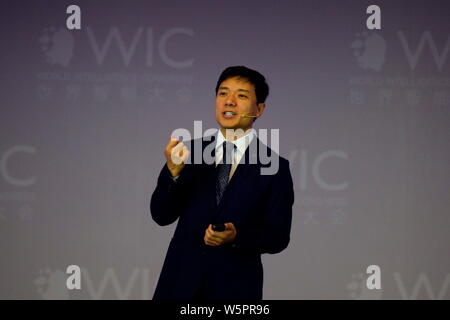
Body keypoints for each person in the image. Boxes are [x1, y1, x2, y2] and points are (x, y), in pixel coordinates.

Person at [150, 66, 294, 300]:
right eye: (223, 93)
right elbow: (160, 215)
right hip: (179, 286)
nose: (230, 101)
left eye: (242, 95)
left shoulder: (275, 167)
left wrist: (236, 236)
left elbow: (278, 236)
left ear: (259, 109)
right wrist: (173, 174)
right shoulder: (188, 153)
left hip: (236, 290)